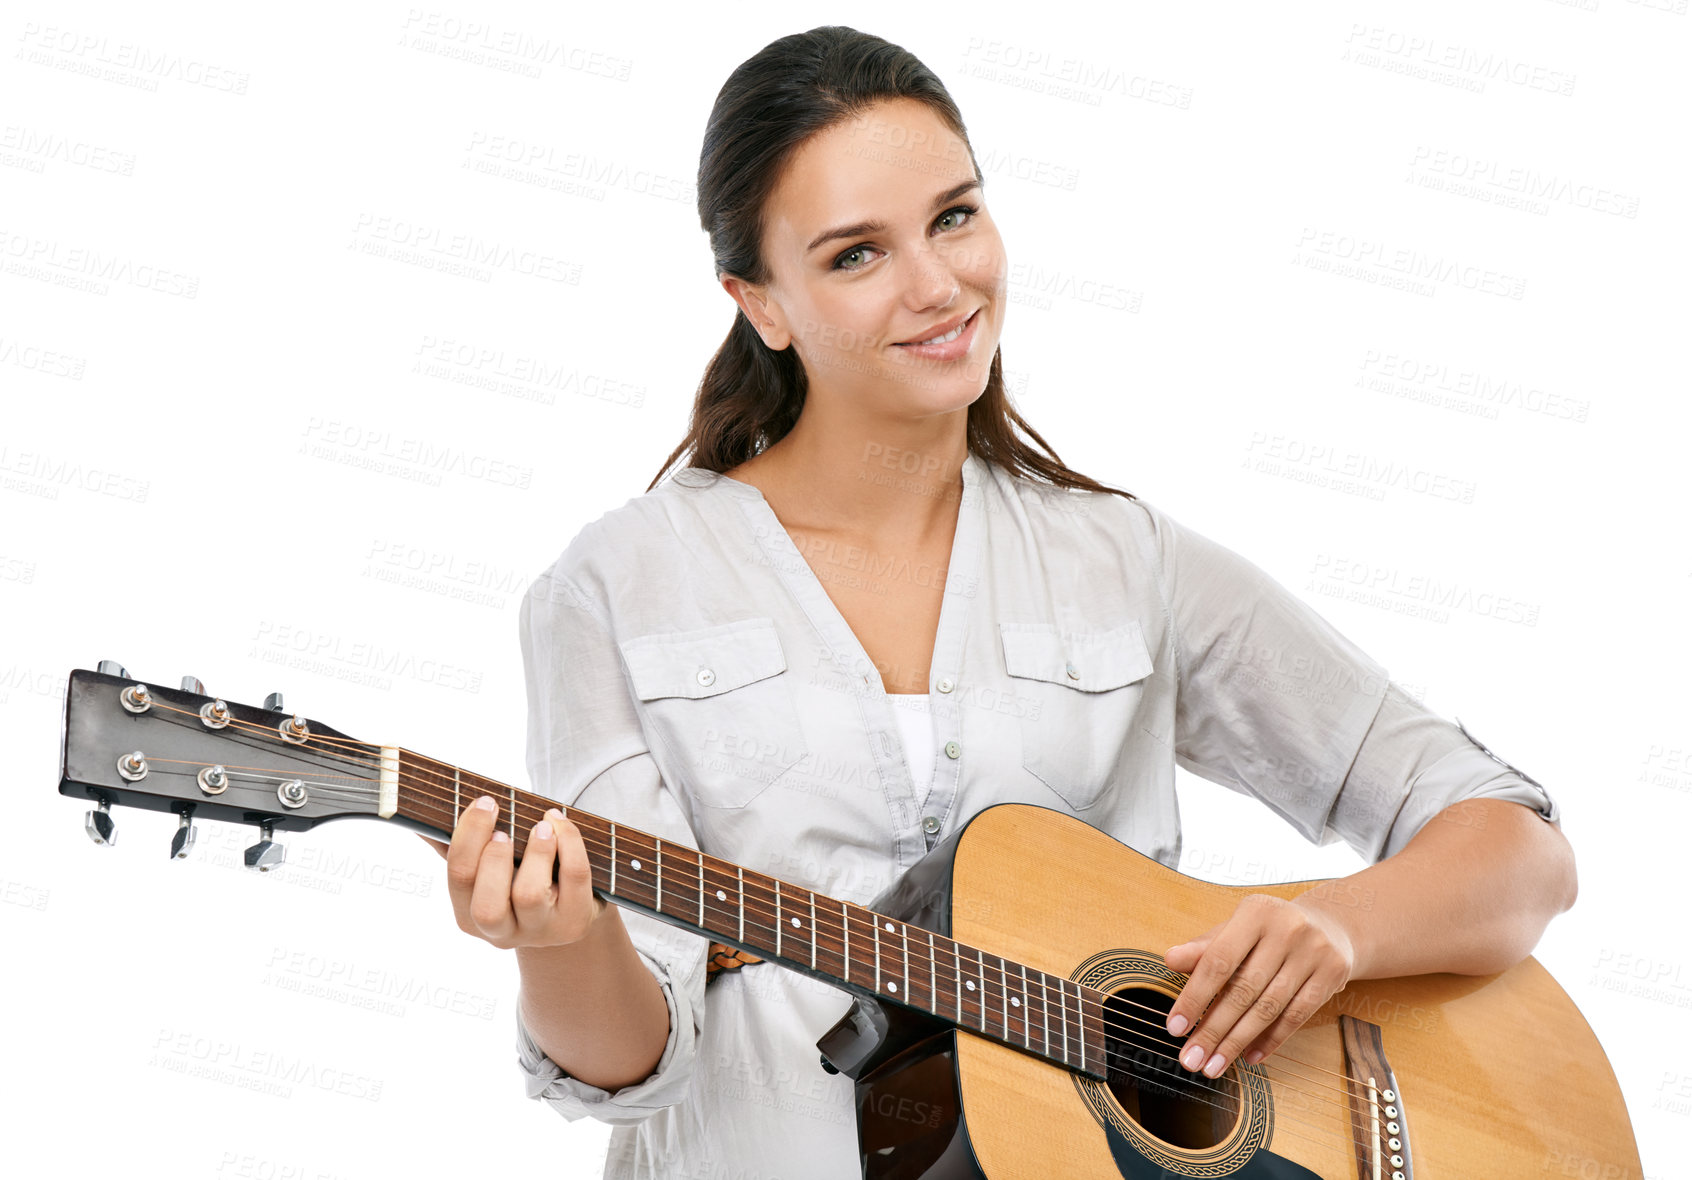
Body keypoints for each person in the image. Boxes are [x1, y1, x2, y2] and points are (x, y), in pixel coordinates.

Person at [427, 26, 1576, 1179]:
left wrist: (1341, 925)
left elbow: (1519, 849)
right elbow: (634, 1062)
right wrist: (561, 943)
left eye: (955, 215)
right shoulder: (611, 590)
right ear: (758, 301)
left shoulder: (1131, 561)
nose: (938, 285)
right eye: (855, 255)